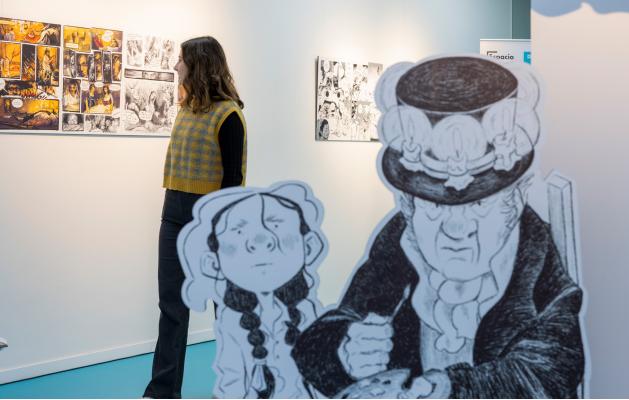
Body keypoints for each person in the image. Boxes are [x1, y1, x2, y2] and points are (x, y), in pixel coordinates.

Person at [292, 56, 585, 398]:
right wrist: (344, 349)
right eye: (434, 206)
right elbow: (318, 342)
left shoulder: (537, 265)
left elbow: (545, 374)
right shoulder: (400, 243)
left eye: (479, 204)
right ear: (408, 206)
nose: (456, 230)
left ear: (515, 201)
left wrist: (449, 388)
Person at [144, 35, 247, 399]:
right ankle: (162, 392)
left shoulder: (229, 115)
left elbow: (233, 179)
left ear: (199, 64)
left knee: (226, 310)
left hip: (212, 218)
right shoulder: (185, 108)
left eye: (181, 59)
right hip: (173, 211)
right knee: (171, 307)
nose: (176, 66)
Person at [179, 182, 327, 398]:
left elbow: (319, 374)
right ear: (212, 263)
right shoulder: (232, 320)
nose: (261, 241)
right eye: (239, 231)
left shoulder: (306, 310)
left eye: (277, 226)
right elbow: (232, 382)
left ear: (309, 247)